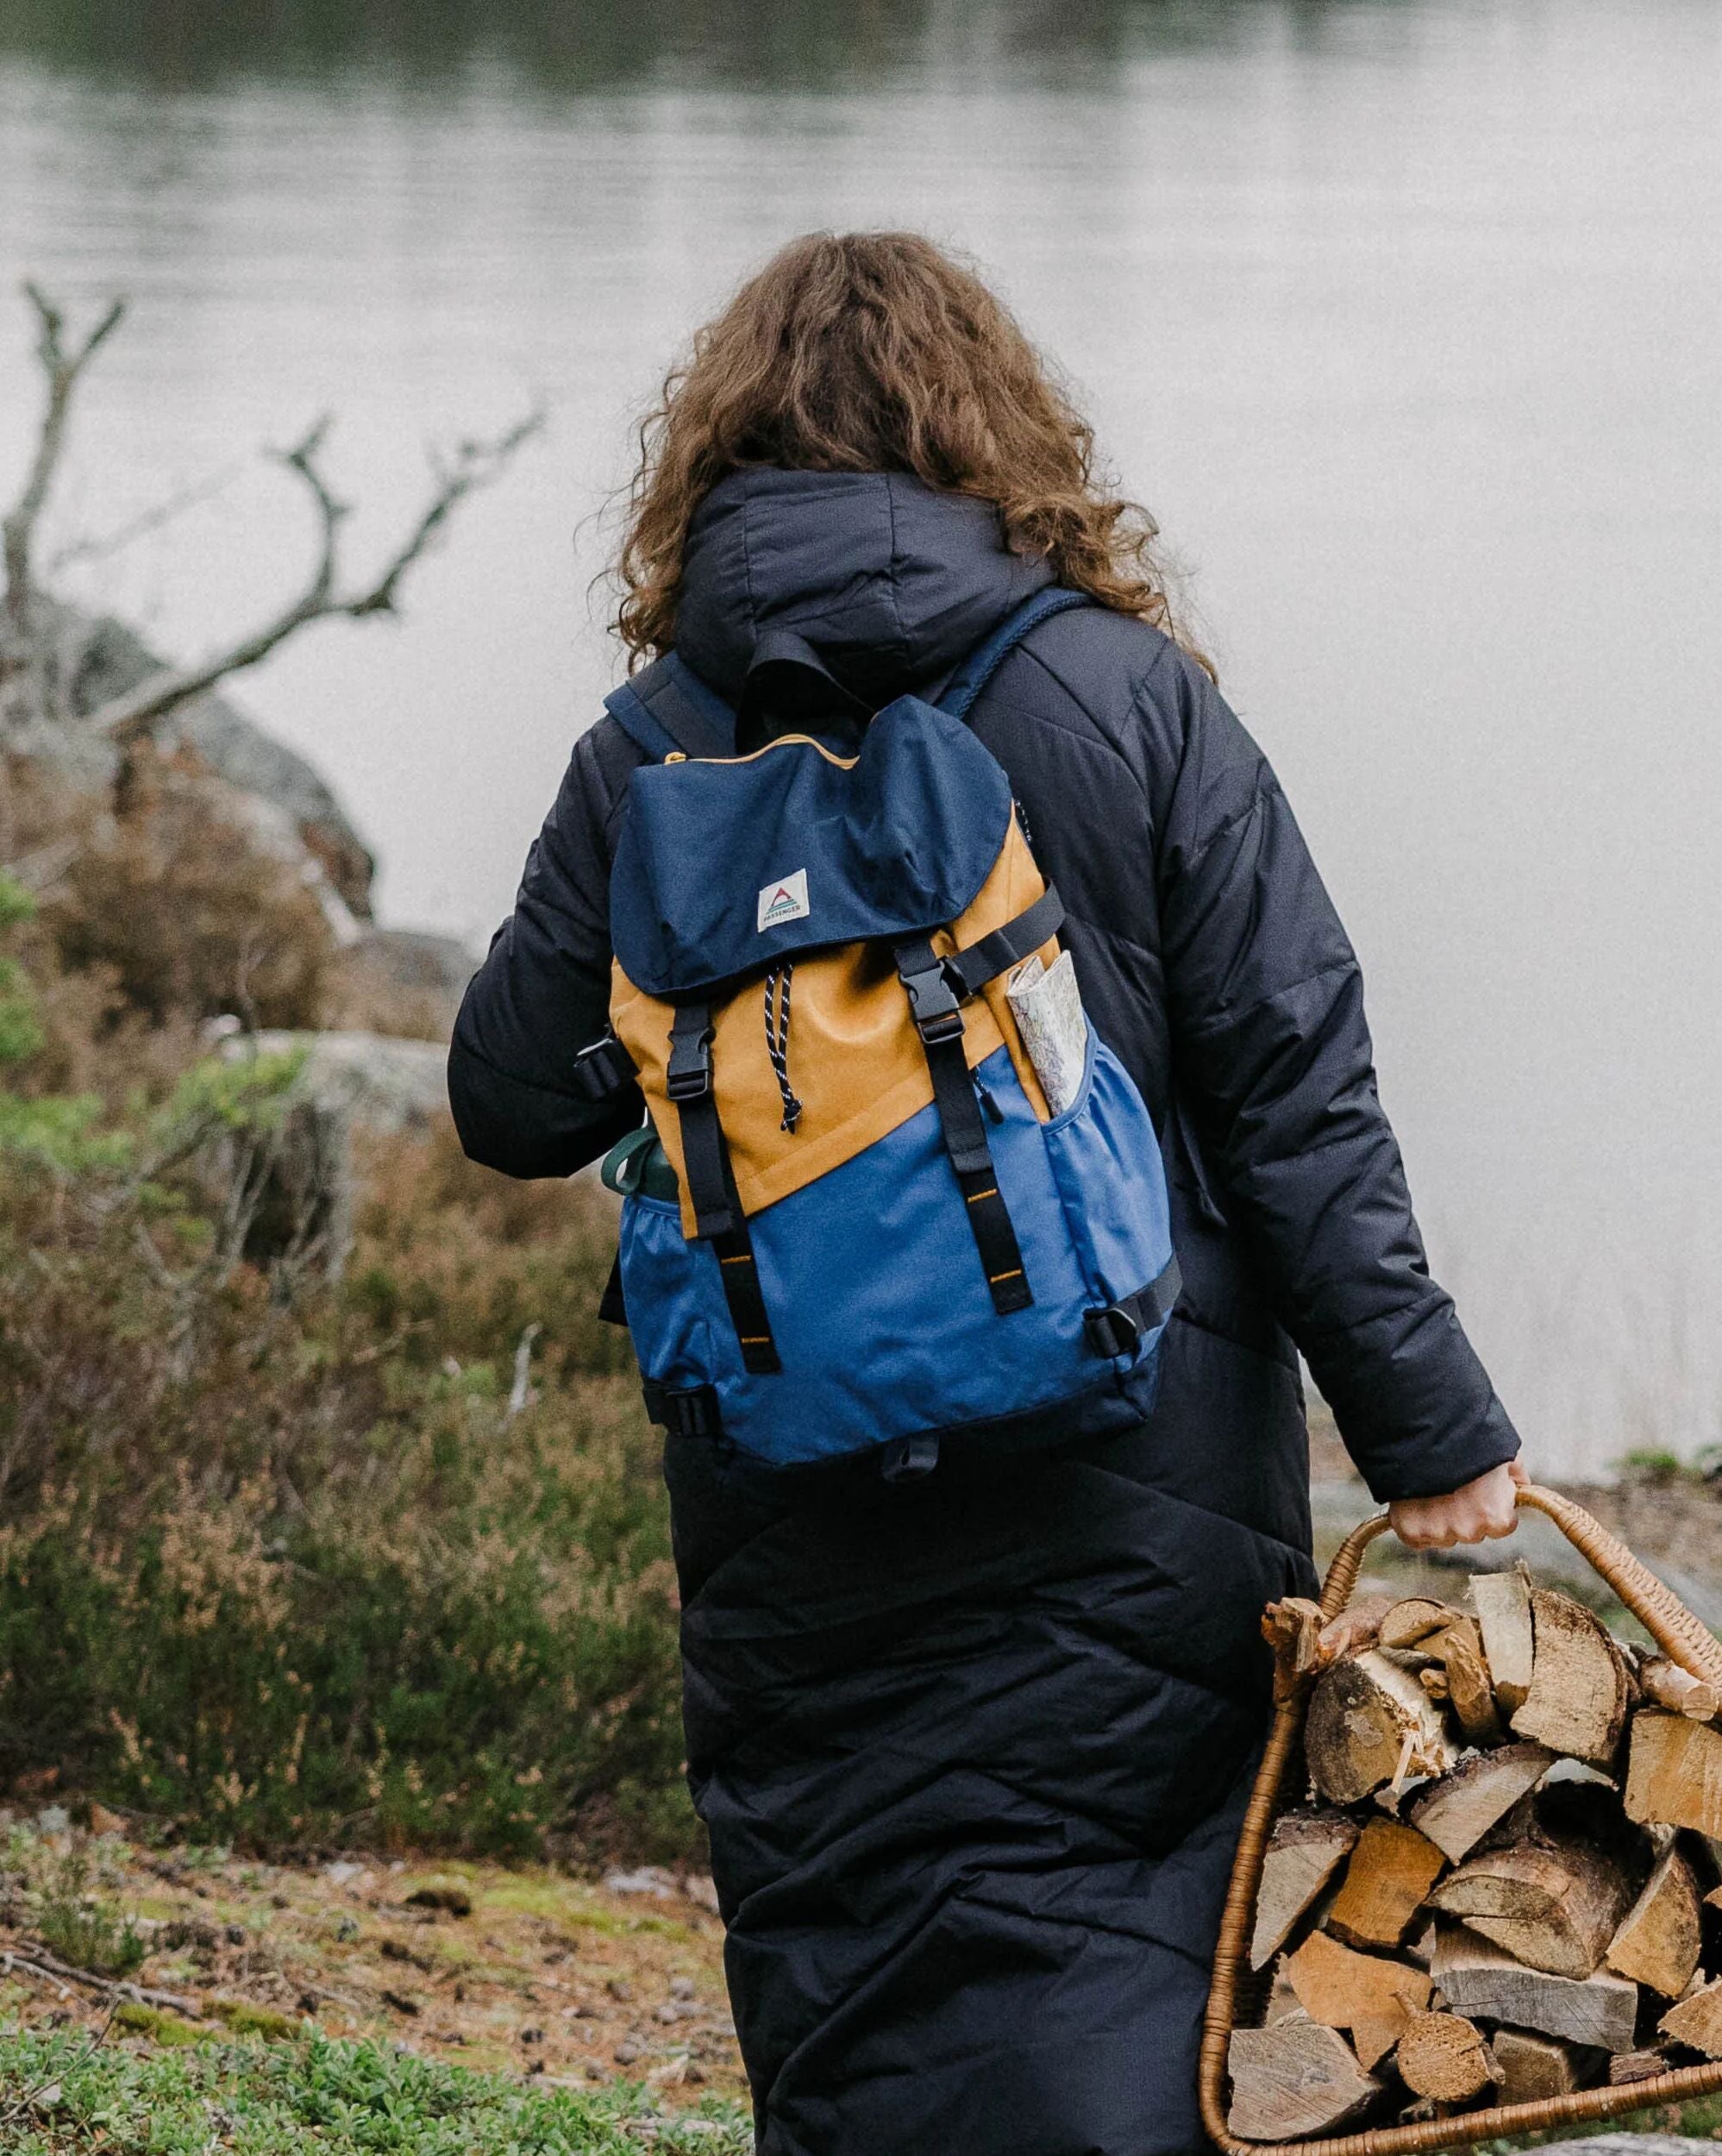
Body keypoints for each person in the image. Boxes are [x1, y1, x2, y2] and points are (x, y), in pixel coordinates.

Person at [448, 230, 1524, 2156]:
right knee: (1136, 1953)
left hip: (792, 1486)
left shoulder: (649, 751)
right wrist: (1426, 1418)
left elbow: (508, 1095)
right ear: (994, 441)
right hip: (1134, 1467)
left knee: (851, 1956)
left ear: (718, 467)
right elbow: (1294, 1086)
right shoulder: (1123, 696)